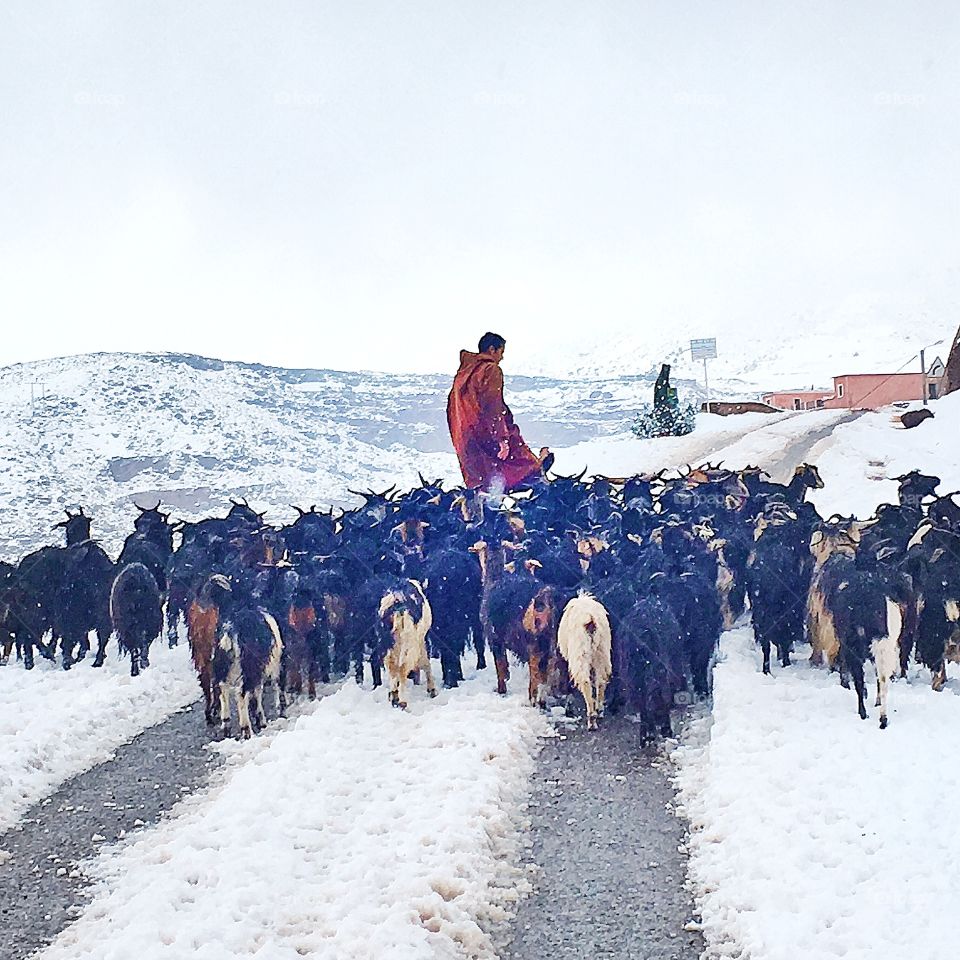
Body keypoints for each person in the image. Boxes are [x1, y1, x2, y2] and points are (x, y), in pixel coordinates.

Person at [446, 332, 551, 492]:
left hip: (466, 438)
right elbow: (492, 406)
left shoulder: (463, 374)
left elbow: (452, 408)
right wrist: (502, 439)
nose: (502, 358)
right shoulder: (490, 369)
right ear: (492, 349)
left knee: (482, 482)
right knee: (524, 466)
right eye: (501, 352)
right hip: (486, 434)